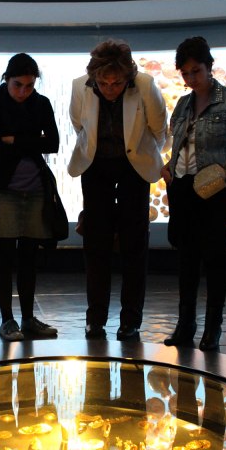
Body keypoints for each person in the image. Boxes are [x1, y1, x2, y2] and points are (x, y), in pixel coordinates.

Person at [160, 37, 226, 350]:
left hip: (216, 190)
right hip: (183, 188)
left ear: (209, 67)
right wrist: (168, 168)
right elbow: (181, 146)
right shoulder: (182, 103)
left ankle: (213, 327)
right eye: (186, 73)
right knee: (186, 257)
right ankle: (185, 324)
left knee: (214, 255)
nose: (191, 78)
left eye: (196, 71)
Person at [67, 40, 167, 340]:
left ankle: (131, 320)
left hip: (133, 168)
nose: (111, 88)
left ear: (129, 76)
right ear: (94, 77)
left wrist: (140, 155)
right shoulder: (79, 86)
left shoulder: (146, 85)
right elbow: (78, 124)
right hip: (95, 166)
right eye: (104, 83)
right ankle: (95, 318)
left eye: (118, 83)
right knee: (95, 243)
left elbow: (160, 128)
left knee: (134, 244)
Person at [0, 53, 60, 341]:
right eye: (18, 85)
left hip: (36, 188)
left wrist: (14, 139)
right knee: (4, 256)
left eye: (29, 85)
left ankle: (27, 318)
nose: (24, 92)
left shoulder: (41, 103)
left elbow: (53, 143)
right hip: (2, 189)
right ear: (7, 79)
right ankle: (7, 320)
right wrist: (31, 141)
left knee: (29, 257)